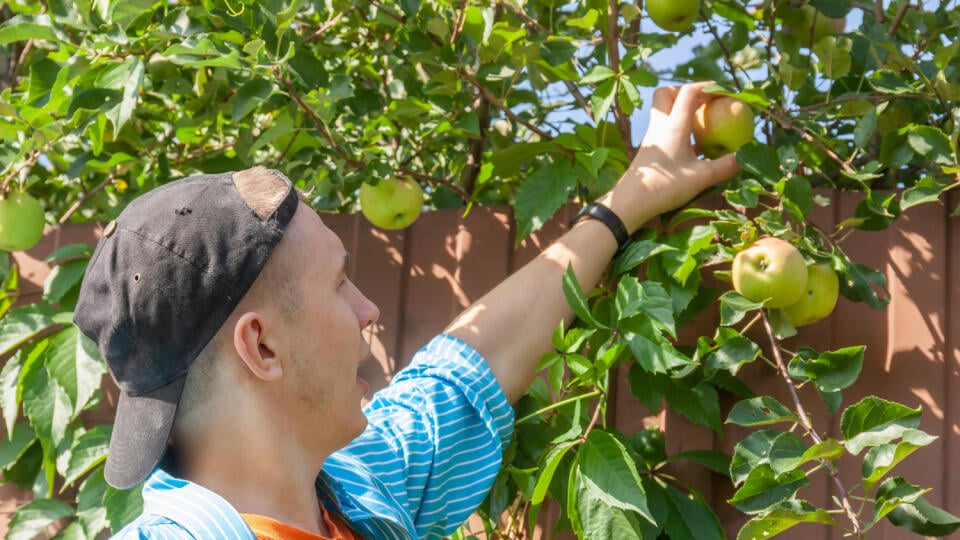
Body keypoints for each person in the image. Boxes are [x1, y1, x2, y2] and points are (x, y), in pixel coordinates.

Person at [73, 82, 738, 539]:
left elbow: (465, 370)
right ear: (263, 348)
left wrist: (625, 205)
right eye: (339, 285)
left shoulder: (359, 488)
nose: (369, 310)